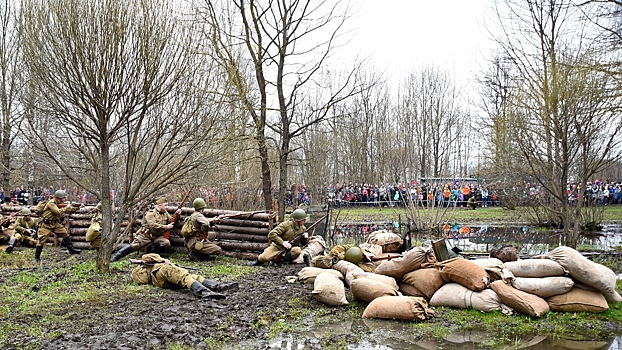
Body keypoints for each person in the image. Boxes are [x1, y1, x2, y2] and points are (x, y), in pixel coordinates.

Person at [130, 253, 237, 299]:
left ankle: (217, 286)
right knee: (184, 276)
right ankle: (204, 291)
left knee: (191, 277)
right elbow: (153, 258)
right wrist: (163, 261)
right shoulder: (156, 265)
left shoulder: (143, 273)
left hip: (161, 281)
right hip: (161, 272)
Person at [110, 197, 181, 262]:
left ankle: (152, 255)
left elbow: (172, 221)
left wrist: (177, 215)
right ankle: (116, 256)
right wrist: (166, 227)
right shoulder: (150, 214)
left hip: (158, 237)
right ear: (160, 205)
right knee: (134, 245)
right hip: (146, 236)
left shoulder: (165, 213)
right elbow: (153, 225)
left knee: (166, 243)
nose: (167, 207)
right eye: (165, 205)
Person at [33, 190, 81, 263]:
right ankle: (36, 258)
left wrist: (77, 208)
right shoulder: (51, 203)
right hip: (46, 224)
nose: (64, 199)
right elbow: (58, 212)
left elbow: (67, 211)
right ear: (59, 198)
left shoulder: (59, 203)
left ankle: (71, 249)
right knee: (41, 240)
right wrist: (67, 207)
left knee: (64, 233)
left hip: (55, 223)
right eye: (63, 198)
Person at [310, 244, 376, 272]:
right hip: (317, 262)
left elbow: (352, 246)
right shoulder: (335, 253)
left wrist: (364, 252)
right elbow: (369, 270)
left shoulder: (339, 250)